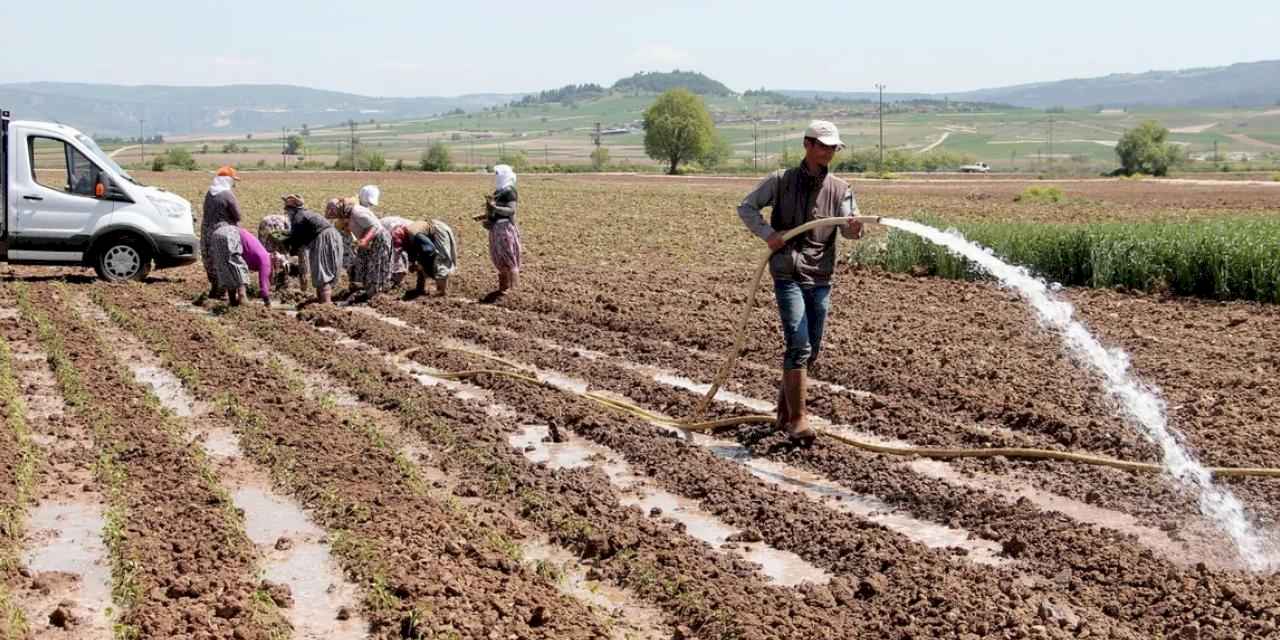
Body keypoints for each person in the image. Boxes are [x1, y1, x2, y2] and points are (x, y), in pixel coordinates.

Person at [737, 121, 865, 443]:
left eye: (833, 148)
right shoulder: (781, 181)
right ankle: (798, 420)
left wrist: (855, 226)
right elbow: (746, 207)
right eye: (823, 146)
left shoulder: (841, 188)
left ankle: (783, 414)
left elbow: (850, 231)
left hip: (821, 276)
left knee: (810, 350)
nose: (828, 153)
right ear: (807, 145)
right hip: (787, 272)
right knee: (799, 343)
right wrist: (769, 234)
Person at [282, 195, 344, 305]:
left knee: (322, 272)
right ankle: (322, 301)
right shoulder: (305, 214)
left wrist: (288, 246)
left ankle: (326, 304)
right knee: (323, 271)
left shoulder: (298, 217)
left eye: (287, 209)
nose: (286, 212)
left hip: (323, 238)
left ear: (292, 209)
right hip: (332, 236)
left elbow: (297, 238)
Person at [328, 197, 394, 298]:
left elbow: (374, 227)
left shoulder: (357, 212)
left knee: (376, 266)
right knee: (361, 265)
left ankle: (375, 295)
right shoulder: (348, 215)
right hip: (368, 240)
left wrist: (365, 240)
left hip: (379, 239)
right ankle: (360, 292)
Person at [473, 164, 522, 302]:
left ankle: (514, 292)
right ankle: (503, 289)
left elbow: (511, 211)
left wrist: (495, 207)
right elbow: (494, 211)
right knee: (499, 259)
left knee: (509, 258)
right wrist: (484, 217)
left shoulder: (510, 191)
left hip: (505, 229)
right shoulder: (498, 192)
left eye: (497, 174)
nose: (495, 177)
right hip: (495, 229)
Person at [200, 166, 242, 299]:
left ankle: (214, 288)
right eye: (233, 180)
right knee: (222, 259)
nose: (234, 183)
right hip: (221, 229)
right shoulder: (227, 194)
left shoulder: (210, 193)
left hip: (206, 230)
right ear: (227, 180)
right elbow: (238, 216)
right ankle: (223, 290)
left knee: (209, 259)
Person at [391, 219, 458, 298]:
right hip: (429, 236)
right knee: (420, 261)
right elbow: (415, 251)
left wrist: (421, 264)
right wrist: (414, 262)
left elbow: (429, 249)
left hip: (439, 231)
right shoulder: (409, 238)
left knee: (441, 260)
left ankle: (440, 292)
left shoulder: (414, 234)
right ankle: (420, 288)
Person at [257, 214, 308, 292]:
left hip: (266, 223)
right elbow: (303, 261)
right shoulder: (302, 241)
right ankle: (276, 284)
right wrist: (304, 282)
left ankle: (270, 285)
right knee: (273, 256)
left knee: (267, 255)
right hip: (280, 225)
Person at [239, 227, 273, 306]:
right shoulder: (266, 261)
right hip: (239, 237)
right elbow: (263, 281)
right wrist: (267, 301)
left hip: (240, 235)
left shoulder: (264, 254)